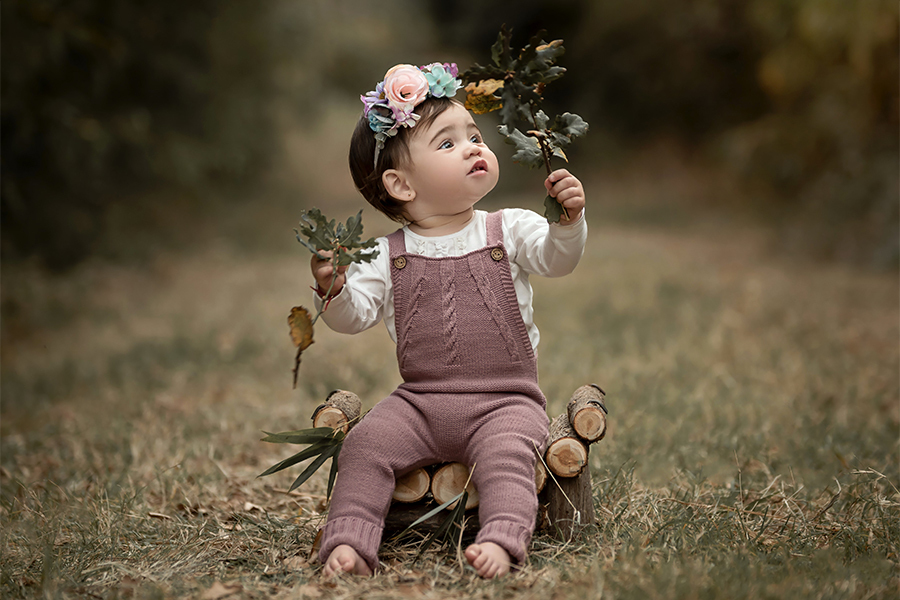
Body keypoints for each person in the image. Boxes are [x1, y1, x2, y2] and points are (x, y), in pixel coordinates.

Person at [309, 62, 587, 579]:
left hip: (505, 400)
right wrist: (334, 291)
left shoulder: (510, 228)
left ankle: (503, 541)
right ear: (401, 184)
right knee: (367, 445)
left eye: (474, 136)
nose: (472, 147)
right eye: (446, 143)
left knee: (507, 457)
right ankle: (349, 541)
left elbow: (557, 259)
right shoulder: (383, 255)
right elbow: (353, 319)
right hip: (421, 402)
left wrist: (567, 225)